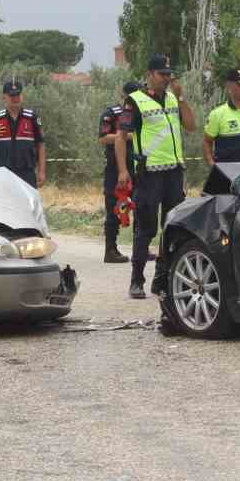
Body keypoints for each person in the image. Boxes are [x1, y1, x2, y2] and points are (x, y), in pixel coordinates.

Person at [115, 54, 197, 300]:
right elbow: (121, 137)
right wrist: (122, 170)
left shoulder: (173, 98)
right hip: (150, 173)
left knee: (172, 229)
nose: (167, 79)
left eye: (169, 74)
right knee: (146, 228)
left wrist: (181, 96)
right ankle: (136, 280)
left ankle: (162, 279)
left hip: (174, 171)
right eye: (162, 74)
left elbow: (191, 126)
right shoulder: (135, 101)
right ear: (149, 74)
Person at [98, 80, 142, 264]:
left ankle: (141, 249)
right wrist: (126, 136)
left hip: (139, 165)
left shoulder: (142, 114)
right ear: (124, 96)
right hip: (116, 167)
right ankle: (111, 250)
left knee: (142, 207)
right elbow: (102, 138)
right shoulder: (111, 114)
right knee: (113, 207)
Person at [0, 80, 46, 188]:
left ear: (22, 96)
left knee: (26, 204)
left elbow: (41, 144)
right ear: (4, 97)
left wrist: (42, 171)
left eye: (18, 95)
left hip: (26, 172)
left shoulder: (32, 118)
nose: (15, 98)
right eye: (12, 95)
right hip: (1, 173)